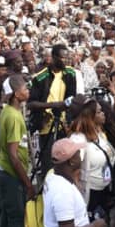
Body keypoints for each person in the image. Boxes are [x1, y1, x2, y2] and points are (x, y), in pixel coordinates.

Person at [36, 137, 107, 227]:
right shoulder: (63, 191)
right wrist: (94, 226)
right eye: (78, 154)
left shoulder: (53, 175)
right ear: (71, 161)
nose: (81, 156)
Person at [68, 94, 115, 227]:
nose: (103, 114)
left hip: (103, 191)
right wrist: (77, 191)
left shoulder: (100, 134)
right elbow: (72, 167)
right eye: (99, 112)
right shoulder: (78, 138)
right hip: (88, 195)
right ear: (90, 116)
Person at [0, 74, 35, 227]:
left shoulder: (9, 111)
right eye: (25, 88)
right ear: (15, 93)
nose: (28, 91)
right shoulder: (13, 116)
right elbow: (13, 154)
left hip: (6, 173)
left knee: (7, 219)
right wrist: (27, 183)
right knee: (15, 221)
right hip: (11, 175)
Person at [29, 44, 79, 173]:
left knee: (65, 159)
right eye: (63, 58)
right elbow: (31, 103)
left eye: (67, 58)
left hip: (64, 124)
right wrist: (54, 105)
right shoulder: (41, 77)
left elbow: (72, 97)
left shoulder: (70, 73)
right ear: (54, 57)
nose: (66, 61)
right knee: (48, 161)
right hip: (46, 124)